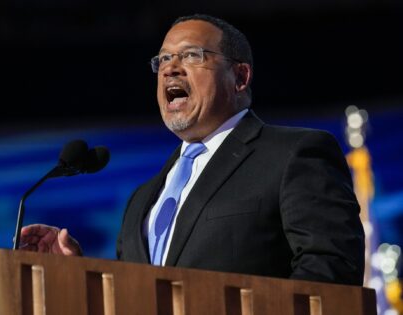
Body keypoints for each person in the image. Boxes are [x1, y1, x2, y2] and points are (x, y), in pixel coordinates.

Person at [20, 14, 365, 285]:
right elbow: (134, 297)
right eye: (164, 59)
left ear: (240, 77)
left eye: (192, 55)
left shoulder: (294, 155)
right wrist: (80, 274)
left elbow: (331, 274)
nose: (170, 67)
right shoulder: (142, 200)